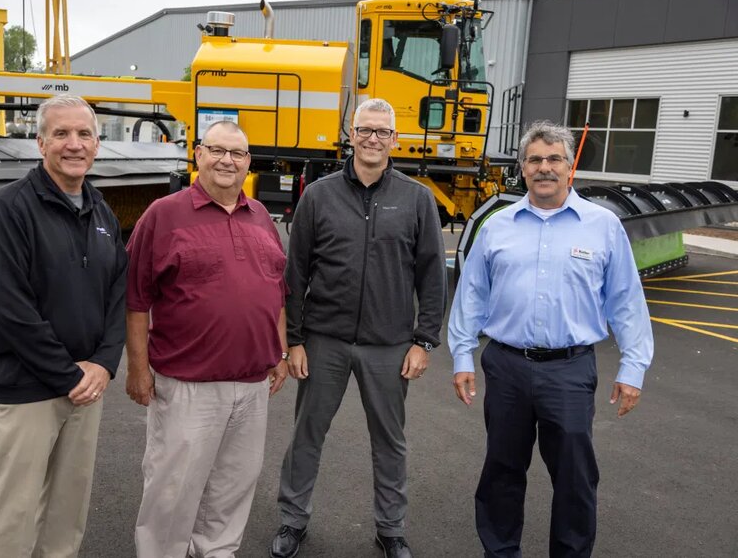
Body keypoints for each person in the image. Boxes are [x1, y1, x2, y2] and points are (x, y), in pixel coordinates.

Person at [448, 120, 654, 557]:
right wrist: (462, 356)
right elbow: (471, 296)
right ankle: (499, 551)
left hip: (570, 370)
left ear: (569, 166)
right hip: (506, 367)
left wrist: (633, 367)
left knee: (575, 478)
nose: (544, 167)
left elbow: (626, 301)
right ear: (522, 168)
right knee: (502, 472)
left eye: (554, 159)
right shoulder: (497, 226)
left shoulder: (602, 225)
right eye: (535, 159)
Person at [270, 98, 446, 558]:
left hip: (389, 346)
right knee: (307, 434)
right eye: (365, 129)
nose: (373, 138)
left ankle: (391, 529)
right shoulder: (318, 195)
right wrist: (294, 340)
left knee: (390, 442)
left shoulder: (416, 198)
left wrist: (424, 340)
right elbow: (295, 273)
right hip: (323, 341)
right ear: (351, 134)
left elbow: (432, 274)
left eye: (382, 131)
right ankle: (292, 520)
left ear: (395, 139)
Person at [0, 94, 128, 557]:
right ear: (40, 143)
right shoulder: (7, 210)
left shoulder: (101, 212)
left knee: (66, 514)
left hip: (85, 389)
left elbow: (118, 294)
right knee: (9, 519)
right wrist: (69, 374)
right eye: (61, 134)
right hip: (25, 390)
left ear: (96, 144)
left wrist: (104, 363)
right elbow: (10, 309)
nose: (73, 144)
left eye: (84, 134)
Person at [125, 120, 289, 558]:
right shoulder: (163, 214)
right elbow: (136, 299)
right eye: (217, 150)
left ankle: (217, 551)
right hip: (187, 384)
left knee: (233, 485)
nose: (226, 161)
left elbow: (277, 290)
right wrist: (138, 370)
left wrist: (280, 352)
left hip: (252, 385)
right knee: (172, 488)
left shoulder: (261, 217)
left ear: (248, 162)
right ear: (198, 154)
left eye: (236, 154)